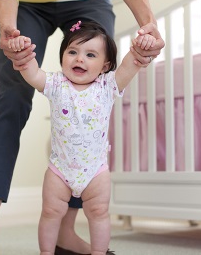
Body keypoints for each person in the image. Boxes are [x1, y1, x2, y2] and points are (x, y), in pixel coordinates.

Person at [0, 0, 165, 255]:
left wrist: (148, 24)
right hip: (25, 1)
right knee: (11, 99)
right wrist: (8, 26)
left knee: (94, 94)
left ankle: (66, 233)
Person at [8, 20, 156, 255]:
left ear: (105, 64)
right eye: (73, 52)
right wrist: (22, 55)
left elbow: (129, 66)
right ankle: (46, 252)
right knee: (50, 213)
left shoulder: (107, 86)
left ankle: (98, 252)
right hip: (59, 169)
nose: (79, 59)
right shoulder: (56, 83)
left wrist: (139, 49)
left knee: (99, 214)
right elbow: (33, 74)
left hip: (95, 171)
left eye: (90, 54)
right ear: (63, 56)